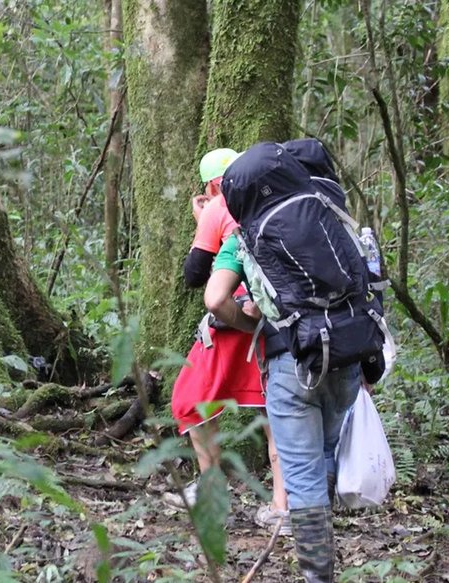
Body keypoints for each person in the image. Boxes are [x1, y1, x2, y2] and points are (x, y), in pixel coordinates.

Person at [206, 149, 362, 582]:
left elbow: (215, 300)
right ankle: (324, 550)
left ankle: (317, 575)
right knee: (326, 458)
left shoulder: (245, 234)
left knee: (303, 479)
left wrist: (247, 321)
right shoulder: (332, 216)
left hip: (291, 363)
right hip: (345, 359)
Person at [169, 148, 289, 535]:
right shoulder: (277, 200)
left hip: (235, 322)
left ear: (213, 184)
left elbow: (193, 275)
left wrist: (202, 220)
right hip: (279, 325)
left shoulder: (220, 207)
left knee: (189, 398)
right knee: (274, 414)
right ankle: (283, 507)